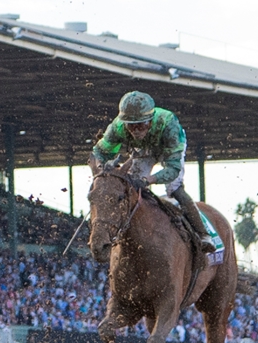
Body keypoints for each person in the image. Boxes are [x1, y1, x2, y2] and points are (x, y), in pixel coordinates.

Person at [92, 91, 216, 253]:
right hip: (143, 150)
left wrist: (148, 180)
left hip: (168, 149)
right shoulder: (117, 127)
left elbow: (172, 169)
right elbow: (99, 153)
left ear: (150, 121)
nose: (136, 130)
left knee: (174, 188)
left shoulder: (169, 125)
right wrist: (100, 171)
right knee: (131, 186)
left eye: (141, 125)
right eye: (131, 125)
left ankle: (203, 234)